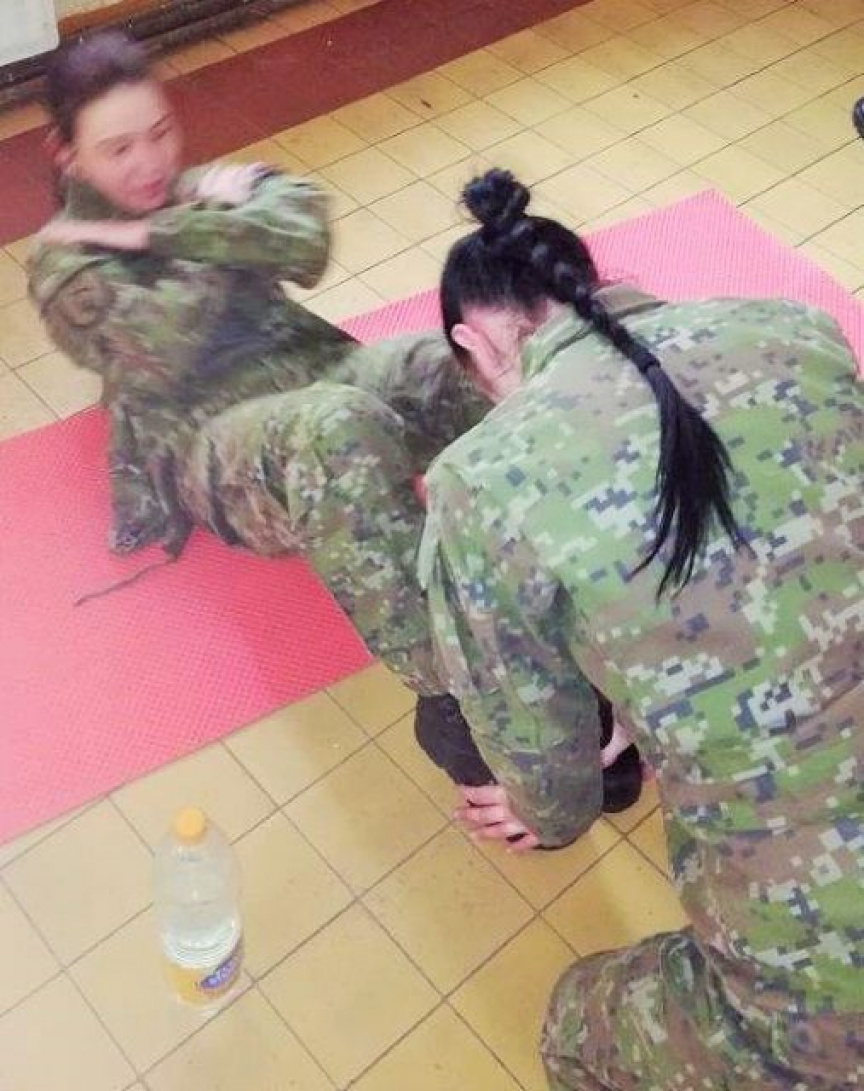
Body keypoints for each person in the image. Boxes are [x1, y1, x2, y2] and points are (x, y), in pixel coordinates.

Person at [27, 32, 640, 814]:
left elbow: (309, 236)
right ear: (67, 155)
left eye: (160, 133)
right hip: (213, 445)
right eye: (117, 149)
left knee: (450, 358)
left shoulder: (179, 201)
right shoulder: (64, 265)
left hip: (322, 370)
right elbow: (171, 337)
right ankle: (459, 700)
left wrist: (160, 230)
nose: (149, 163)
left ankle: (599, 564)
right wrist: (222, 215)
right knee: (335, 428)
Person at [420, 170, 862, 1087]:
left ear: (474, 343)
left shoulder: (481, 478)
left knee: (577, 1022)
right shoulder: (794, 328)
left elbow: (553, 783)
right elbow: (784, 559)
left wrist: (547, 809)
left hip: (828, 976)